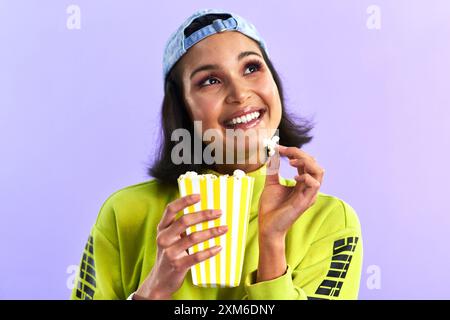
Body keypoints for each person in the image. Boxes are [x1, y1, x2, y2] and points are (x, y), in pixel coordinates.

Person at [71, 8, 363, 300]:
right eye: (210, 80)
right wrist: (152, 292)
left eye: (251, 68)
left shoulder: (330, 221)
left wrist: (272, 243)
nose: (239, 93)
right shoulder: (124, 213)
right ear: (183, 108)